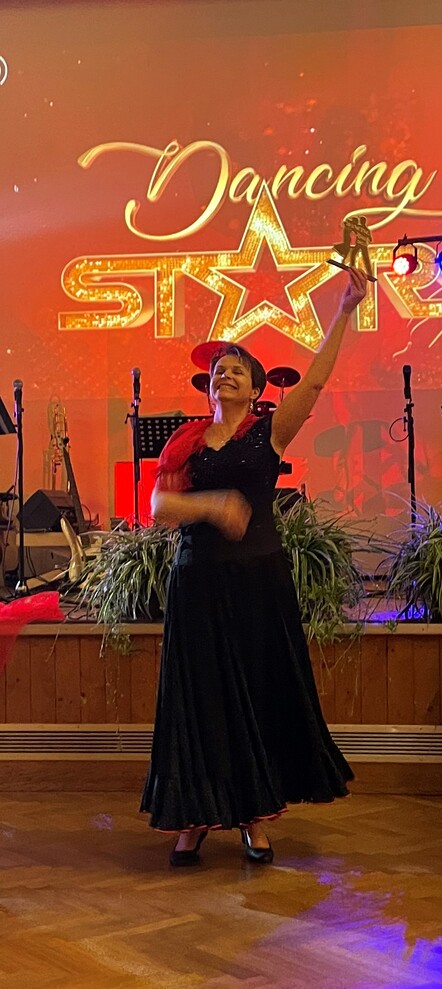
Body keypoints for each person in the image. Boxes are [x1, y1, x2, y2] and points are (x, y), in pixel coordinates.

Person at [140, 267, 368, 866]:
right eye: (220, 369)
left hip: (258, 584)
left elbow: (315, 383)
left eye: (238, 369)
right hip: (197, 583)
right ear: (209, 387)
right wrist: (212, 505)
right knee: (200, 699)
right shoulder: (186, 441)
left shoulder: (269, 434)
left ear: (256, 387)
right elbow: (159, 507)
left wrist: (344, 310)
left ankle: (253, 816)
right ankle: (192, 817)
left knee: (258, 695)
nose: (226, 373)